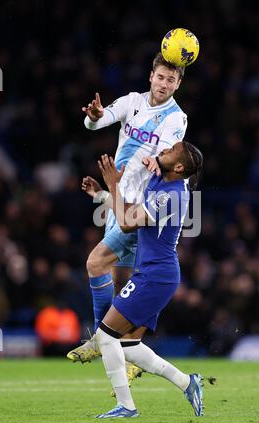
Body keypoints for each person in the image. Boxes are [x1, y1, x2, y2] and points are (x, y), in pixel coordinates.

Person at [67, 53, 188, 384]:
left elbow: (164, 155)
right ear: (151, 76)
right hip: (121, 198)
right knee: (125, 283)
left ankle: (99, 339)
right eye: (161, 77)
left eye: (171, 80)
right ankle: (130, 348)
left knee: (96, 263)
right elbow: (98, 121)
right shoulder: (132, 102)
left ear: (179, 84)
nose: (164, 84)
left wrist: (151, 164)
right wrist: (93, 117)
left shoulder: (176, 118)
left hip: (140, 205)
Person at [87, 140, 204, 418]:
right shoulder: (161, 181)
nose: (163, 150)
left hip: (156, 275)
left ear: (179, 166)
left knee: (105, 337)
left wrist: (113, 183)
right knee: (127, 345)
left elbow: (127, 222)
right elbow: (129, 210)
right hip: (151, 273)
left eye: (171, 150)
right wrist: (103, 195)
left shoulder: (173, 195)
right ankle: (188, 382)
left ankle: (127, 407)